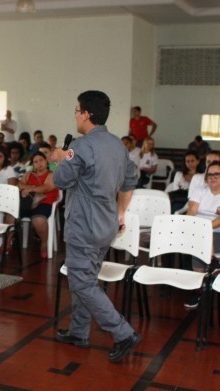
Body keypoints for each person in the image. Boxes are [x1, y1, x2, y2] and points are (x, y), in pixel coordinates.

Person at [51, 90, 141, 363]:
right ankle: (79, 331)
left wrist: (60, 157)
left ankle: (123, 332)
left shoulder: (80, 146)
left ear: (87, 114)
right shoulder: (117, 146)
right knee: (86, 278)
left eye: (77, 110)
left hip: (84, 225)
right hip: (106, 224)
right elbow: (129, 182)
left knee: (81, 281)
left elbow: (60, 181)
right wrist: (121, 212)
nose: (75, 115)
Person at [185, 160, 220, 308]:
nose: (213, 177)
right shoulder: (199, 191)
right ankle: (212, 264)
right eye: (210, 174)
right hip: (197, 231)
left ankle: (197, 289)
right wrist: (193, 226)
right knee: (200, 240)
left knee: (201, 241)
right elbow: (191, 211)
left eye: (217, 174)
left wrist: (203, 227)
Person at [18, 151, 58, 258]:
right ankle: (6, 243)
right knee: (10, 215)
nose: (39, 163)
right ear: (33, 165)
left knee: (38, 220)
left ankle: (44, 243)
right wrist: (25, 187)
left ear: (46, 161)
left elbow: (47, 187)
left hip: (45, 203)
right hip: (28, 203)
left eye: (41, 160)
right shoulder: (29, 174)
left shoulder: (51, 174)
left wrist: (31, 188)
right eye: (36, 162)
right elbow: (20, 184)